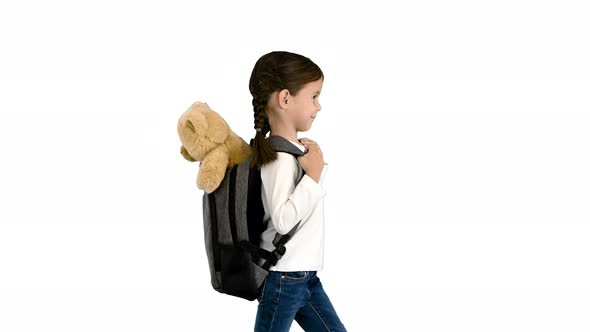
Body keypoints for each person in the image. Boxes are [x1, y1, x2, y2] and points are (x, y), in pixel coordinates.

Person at [249, 51, 347, 332]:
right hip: (283, 279)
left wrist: (312, 170)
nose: (319, 106)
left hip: (305, 277)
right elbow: (282, 219)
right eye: (314, 96)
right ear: (285, 99)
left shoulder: (291, 153)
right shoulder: (277, 158)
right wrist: (313, 176)